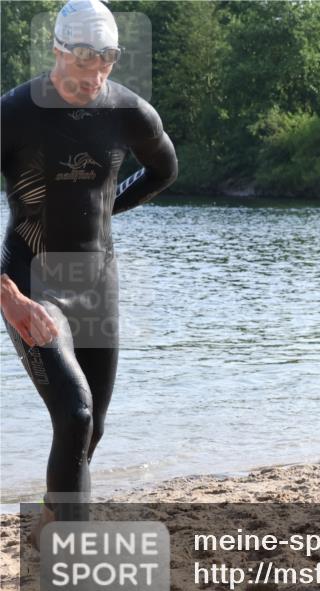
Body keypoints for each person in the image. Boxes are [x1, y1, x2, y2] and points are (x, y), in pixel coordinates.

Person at [0, 0, 177, 532]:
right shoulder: (14, 113)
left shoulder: (129, 111)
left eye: (106, 62)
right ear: (57, 50)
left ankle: (54, 521)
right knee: (74, 414)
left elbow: (163, 170)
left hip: (98, 285)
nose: (94, 75)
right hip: (32, 282)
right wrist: (8, 296)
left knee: (90, 429)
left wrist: (104, 208)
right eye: (83, 61)